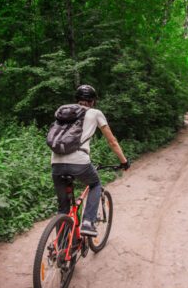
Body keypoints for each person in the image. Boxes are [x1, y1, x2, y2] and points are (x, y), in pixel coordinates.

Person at [51, 85, 130, 236]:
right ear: (93, 101)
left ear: (76, 100)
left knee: (63, 209)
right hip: (79, 162)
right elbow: (112, 141)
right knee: (95, 184)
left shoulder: (63, 111)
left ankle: (61, 250)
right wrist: (124, 161)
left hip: (56, 162)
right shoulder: (95, 113)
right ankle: (88, 222)